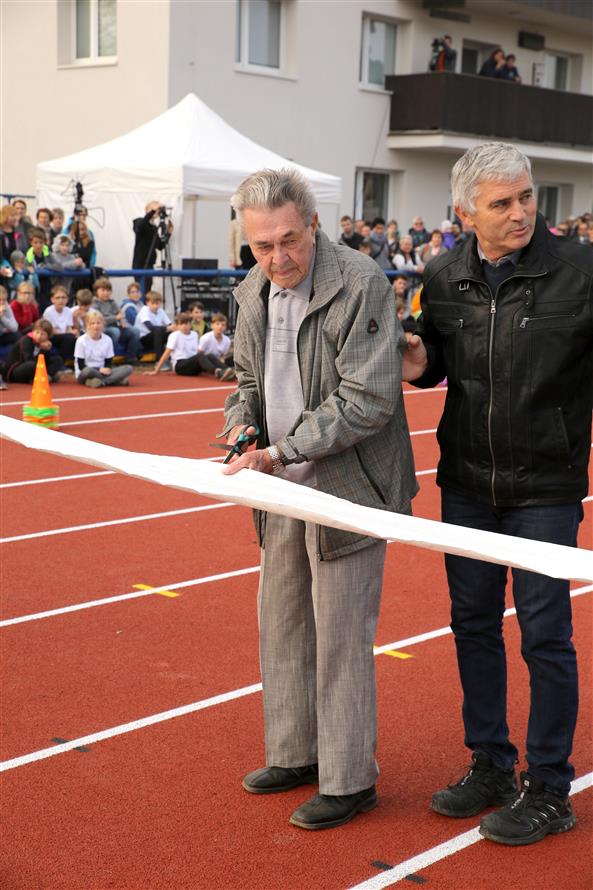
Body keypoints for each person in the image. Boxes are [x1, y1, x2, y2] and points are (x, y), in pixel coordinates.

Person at [403, 142, 592, 846]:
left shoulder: (579, 272)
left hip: (545, 484)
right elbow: (429, 366)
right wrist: (405, 353)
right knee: (473, 624)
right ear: (464, 213)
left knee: (544, 636)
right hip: (468, 483)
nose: (519, 213)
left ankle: (548, 788)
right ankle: (489, 763)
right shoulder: (443, 275)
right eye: (501, 203)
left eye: (525, 197)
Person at [220, 168, 417, 831]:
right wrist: (241, 425)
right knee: (281, 627)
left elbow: (367, 399)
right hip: (278, 485)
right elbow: (244, 379)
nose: (278, 259)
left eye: (288, 240)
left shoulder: (359, 281)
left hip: (348, 489)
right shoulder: (251, 290)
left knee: (338, 640)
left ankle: (348, 778)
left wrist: (282, 450)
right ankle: (295, 752)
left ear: (311, 224)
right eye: (261, 246)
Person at [74, 311, 133, 388]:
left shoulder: (108, 340)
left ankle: (99, 382)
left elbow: (108, 362)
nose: (96, 326)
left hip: (103, 372)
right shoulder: (81, 341)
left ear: (103, 324)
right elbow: (81, 366)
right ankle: (113, 381)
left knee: (128, 368)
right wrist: (99, 370)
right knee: (88, 371)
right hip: (86, 371)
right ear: (87, 325)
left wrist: (107, 369)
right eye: (92, 323)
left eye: (98, 323)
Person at [91, 277, 142, 363]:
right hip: (102, 329)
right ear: (96, 291)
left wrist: (122, 322)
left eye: (108, 291)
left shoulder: (112, 302)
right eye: (103, 290)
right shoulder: (94, 303)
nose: (106, 293)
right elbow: (99, 320)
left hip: (115, 326)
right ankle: (109, 359)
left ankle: (131, 357)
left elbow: (120, 314)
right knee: (115, 331)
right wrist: (115, 318)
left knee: (135, 331)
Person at [0, 318, 65, 384]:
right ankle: (39, 378)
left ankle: (47, 377)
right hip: (13, 372)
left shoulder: (44, 343)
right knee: (32, 364)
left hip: (32, 367)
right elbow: (28, 360)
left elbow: (46, 360)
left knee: (58, 359)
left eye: (42, 334)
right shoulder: (26, 341)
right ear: (33, 331)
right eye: (37, 332)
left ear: (48, 336)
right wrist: (42, 350)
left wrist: (46, 350)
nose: (39, 336)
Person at [131, 201, 173, 291]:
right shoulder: (138, 221)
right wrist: (153, 211)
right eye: (153, 209)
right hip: (140, 264)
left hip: (150, 265)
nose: (156, 212)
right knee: (141, 289)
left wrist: (168, 233)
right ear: (146, 210)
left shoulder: (154, 228)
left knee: (147, 289)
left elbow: (160, 246)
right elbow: (141, 226)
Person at [25, 226, 63, 313]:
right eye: (35, 242)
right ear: (31, 243)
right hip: (36, 288)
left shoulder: (48, 254)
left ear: (44, 243)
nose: (38, 245)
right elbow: (25, 268)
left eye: (41, 242)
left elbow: (60, 267)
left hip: (47, 286)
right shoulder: (28, 256)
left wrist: (46, 266)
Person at [134, 290, 173, 362]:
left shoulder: (161, 310)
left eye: (157, 303)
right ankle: (160, 361)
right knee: (157, 331)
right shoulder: (144, 310)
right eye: (152, 303)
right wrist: (167, 328)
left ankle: (176, 357)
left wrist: (174, 328)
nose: (155, 306)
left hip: (157, 336)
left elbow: (170, 324)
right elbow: (150, 327)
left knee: (173, 332)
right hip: (143, 339)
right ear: (147, 303)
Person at [43, 284, 77, 361]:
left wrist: (73, 333)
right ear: (52, 299)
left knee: (77, 338)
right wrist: (69, 334)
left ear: (67, 299)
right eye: (58, 298)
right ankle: (63, 361)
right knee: (69, 338)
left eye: (63, 297)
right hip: (52, 336)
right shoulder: (49, 311)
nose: (61, 300)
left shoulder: (68, 310)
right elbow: (52, 331)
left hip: (64, 335)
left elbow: (68, 327)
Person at [198, 312, 235, 380]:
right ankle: (221, 372)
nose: (220, 327)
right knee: (210, 356)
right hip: (205, 364)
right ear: (212, 325)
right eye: (217, 324)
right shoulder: (206, 338)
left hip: (217, 362)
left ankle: (230, 372)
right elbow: (199, 354)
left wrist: (222, 360)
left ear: (225, 327)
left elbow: (222, 356)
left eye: (223, 325)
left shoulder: (227, 340)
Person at [0, 284, 19, 348]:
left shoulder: (6, 306)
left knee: (18, 336)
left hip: (2, 335)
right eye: (0, 300)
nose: (2, 302)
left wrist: (2, 317)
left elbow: (14, 328)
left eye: (4, 300)